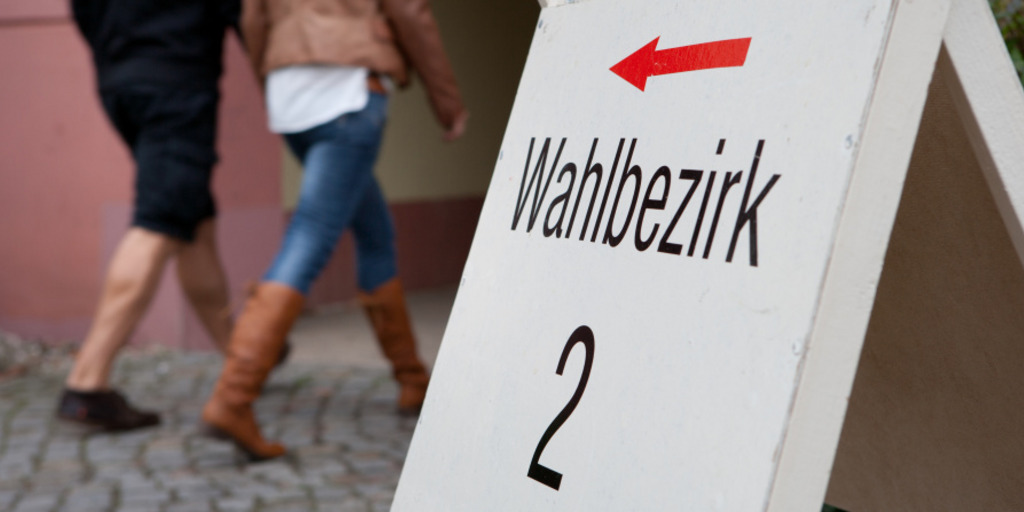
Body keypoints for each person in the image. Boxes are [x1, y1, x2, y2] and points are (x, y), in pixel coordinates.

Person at [201, 0, 468, 460]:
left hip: (291, 97)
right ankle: (233, 396)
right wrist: (447, 101)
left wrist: (275, 74)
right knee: (313, 231)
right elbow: (409, 11)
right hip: (347, 89)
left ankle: (412, 380)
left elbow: (251, 17)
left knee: (374, 230)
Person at [57, 0, 244, 430]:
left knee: (193, 224)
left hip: (119, 85)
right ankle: (87, 382)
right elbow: (241, 13)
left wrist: (118, 53)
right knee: (160, 221)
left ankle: (241, 360)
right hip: (178, 84)